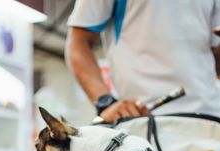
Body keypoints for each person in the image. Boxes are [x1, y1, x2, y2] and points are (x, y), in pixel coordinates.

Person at [66, 0, 220, 122]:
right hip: (142, 118)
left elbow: (213, 54)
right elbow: (78, 43)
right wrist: (105, 103)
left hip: (209, 118)